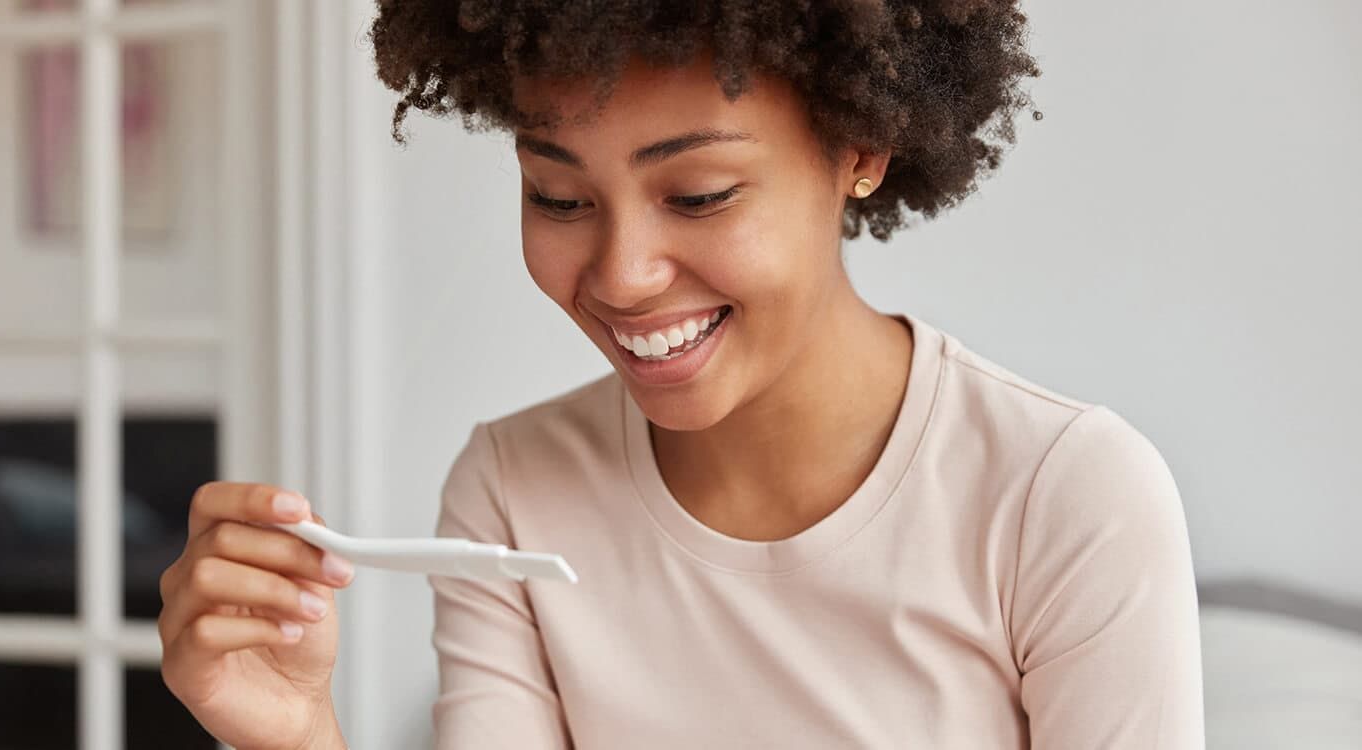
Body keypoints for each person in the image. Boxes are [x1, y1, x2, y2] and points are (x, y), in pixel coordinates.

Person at [159, 2, 1206, 748]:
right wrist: (295, 737)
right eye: (558, 198)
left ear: (862, 147)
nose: (621, 277)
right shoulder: (512, 493)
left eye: (699, 194)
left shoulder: (1063, 498)